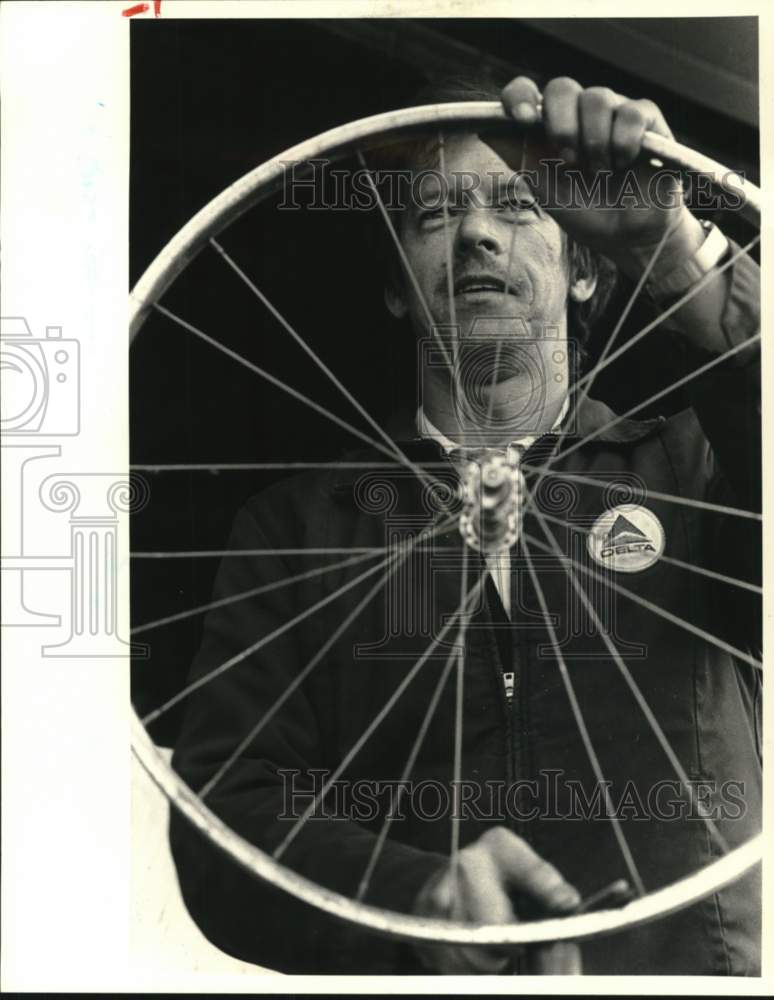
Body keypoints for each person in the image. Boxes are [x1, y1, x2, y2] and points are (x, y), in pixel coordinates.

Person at [169, 74, 761, 975]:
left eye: (518, 206)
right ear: (397, 290)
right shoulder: (296, 526)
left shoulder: (698, 468)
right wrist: (417, 897)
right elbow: (224, 822)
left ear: (588, 269)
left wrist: (681, 259)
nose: (478, 233)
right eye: (434, 213)